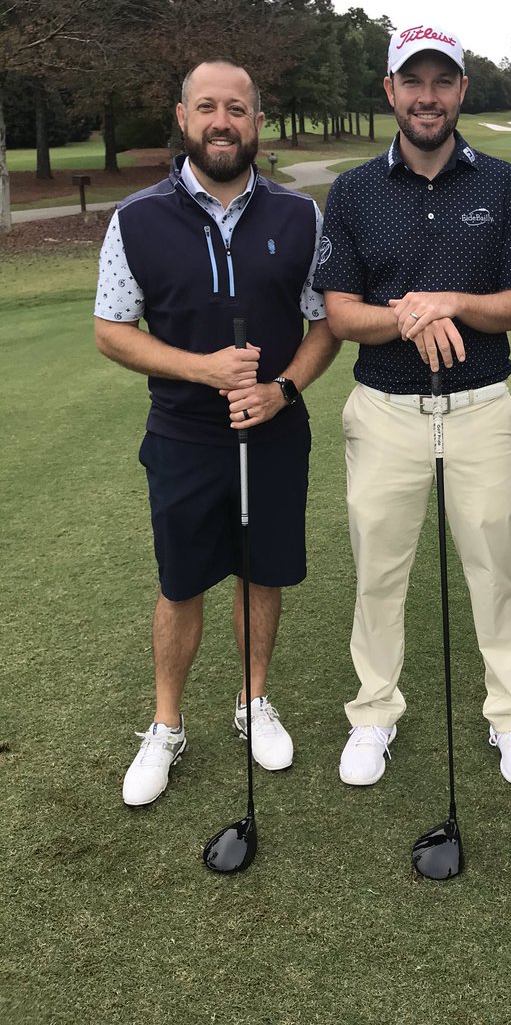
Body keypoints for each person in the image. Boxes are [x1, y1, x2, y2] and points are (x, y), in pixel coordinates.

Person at [94, 59, 339, 807]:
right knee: (181, 582)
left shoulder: (300, 216)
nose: (222, 122)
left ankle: (253, 701)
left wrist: (282, 390)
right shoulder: (136, 218)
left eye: (237, 108)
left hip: (274, 430)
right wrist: (202, 370)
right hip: (183, 435)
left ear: (257, 121)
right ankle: (166, 724)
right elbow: (111, 330)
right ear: (183, 117)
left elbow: (325, 324)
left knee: (261, 572)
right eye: (207, 107)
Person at [315, 23, 511, 787]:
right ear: (390, 90)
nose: (427, 96)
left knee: (495, 569)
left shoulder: (501, 183)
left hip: (480, 408)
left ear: (462, 91)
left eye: (442, 80)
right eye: (412, 81)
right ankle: (374, 712)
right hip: (385, 411)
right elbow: (341, 312)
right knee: (378, 574)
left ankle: (509, 714)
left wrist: (447, 301)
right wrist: (410, 316)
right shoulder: (353, 191)